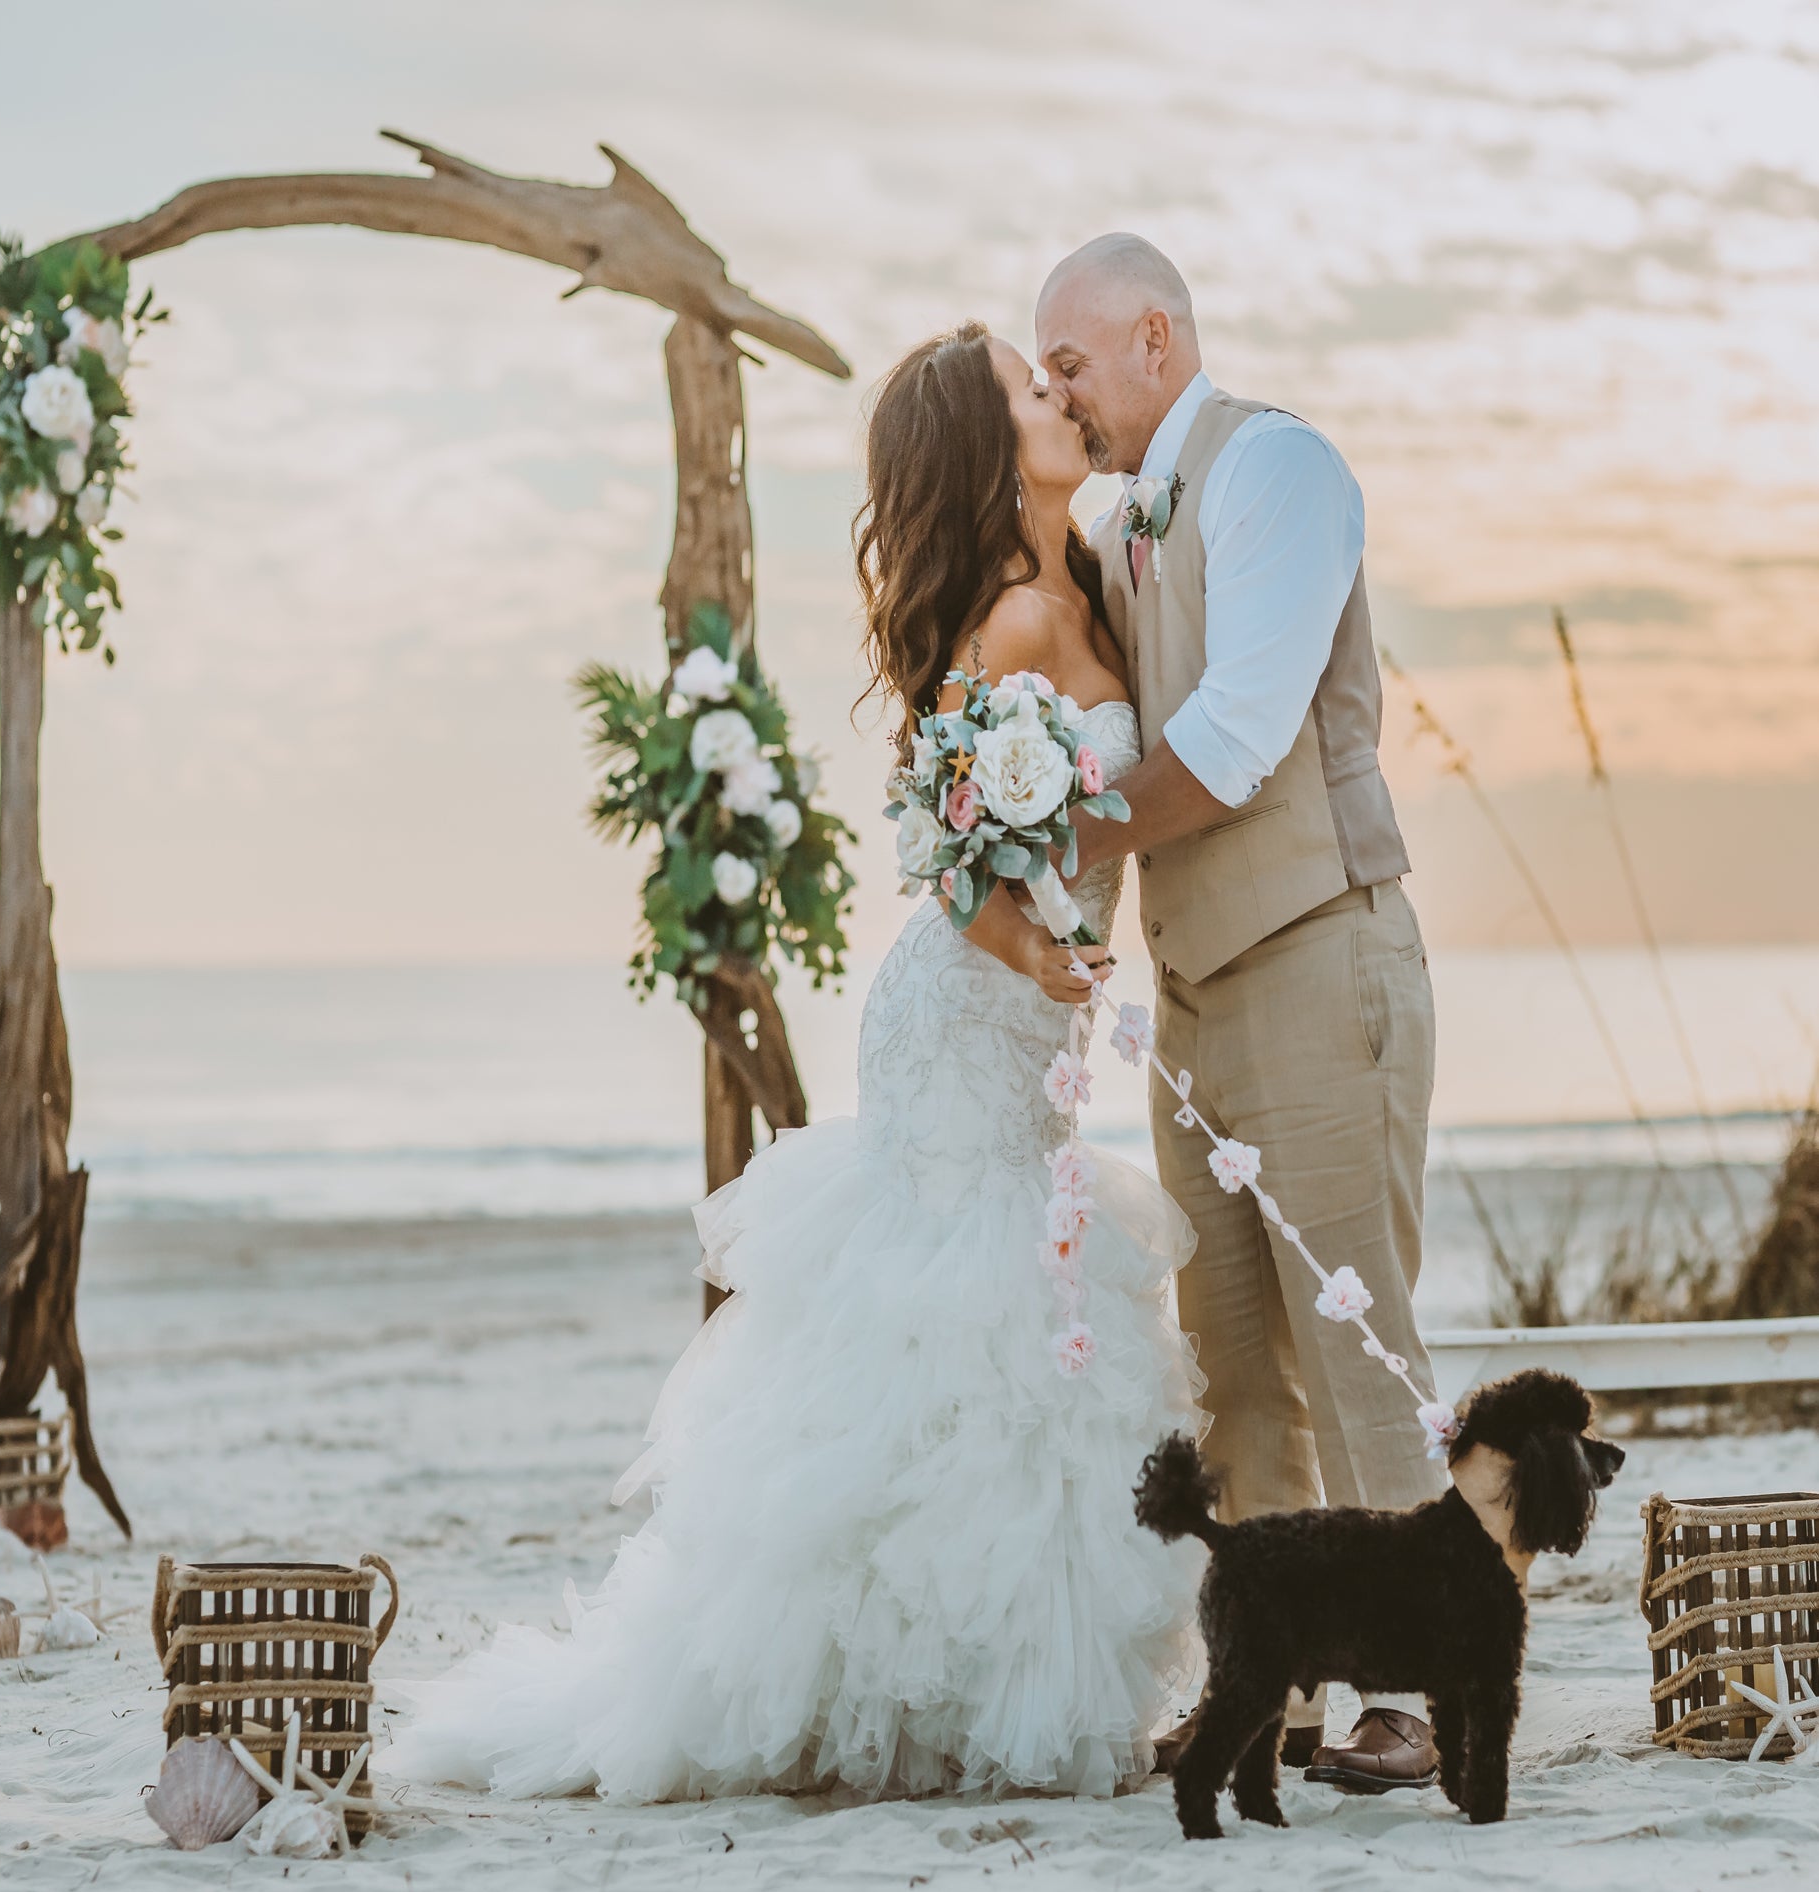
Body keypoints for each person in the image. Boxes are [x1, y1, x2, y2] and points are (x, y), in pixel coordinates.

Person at [382, 323, 1203, 1803]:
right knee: (962, 1315)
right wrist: (1039, 957)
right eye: (1033, 391)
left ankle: (991, 1676)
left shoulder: (1084, 575)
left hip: (1032, 1022)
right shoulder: (1007, 617)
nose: (1061, 401)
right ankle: (915, 1688)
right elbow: (955, 855)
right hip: (965, 1012)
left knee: (1025, 1314)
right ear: (982, 446)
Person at [1035, 234, 1445, 1792]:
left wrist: (1056, 836)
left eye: (1066, 361)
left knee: (1355, 1336)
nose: (1055, 393)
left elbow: (1233, 738)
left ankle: (1407, 1693)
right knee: (1231, 1366)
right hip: (1195, 993)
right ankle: (1266, 1690)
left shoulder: (1278, 471)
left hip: (1318, 952)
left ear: (1152, 336)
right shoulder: (1123, 521)